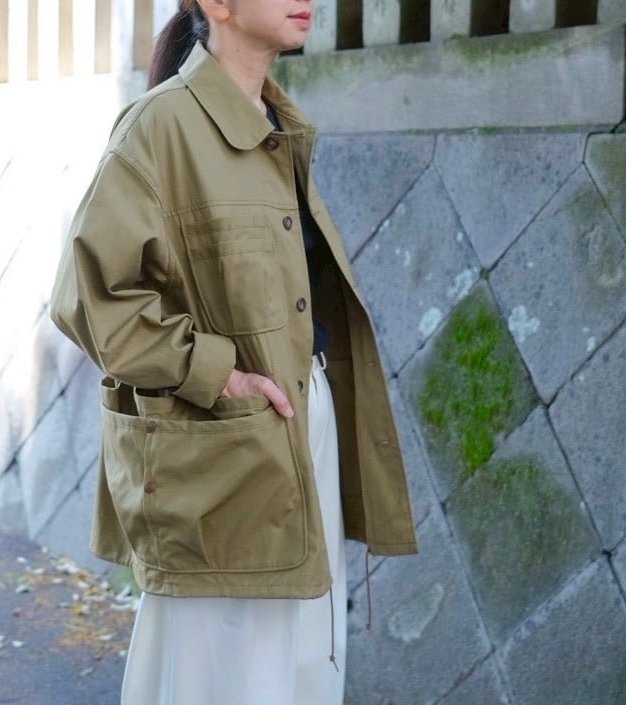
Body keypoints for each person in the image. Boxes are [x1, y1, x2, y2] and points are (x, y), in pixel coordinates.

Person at [50, 1, 417, 703]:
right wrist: (218, 375)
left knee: (304, 663)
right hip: (220, 453)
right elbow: (88, 297)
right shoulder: (160, 126)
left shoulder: (280, 124)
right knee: (221, 672)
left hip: (299, 423)